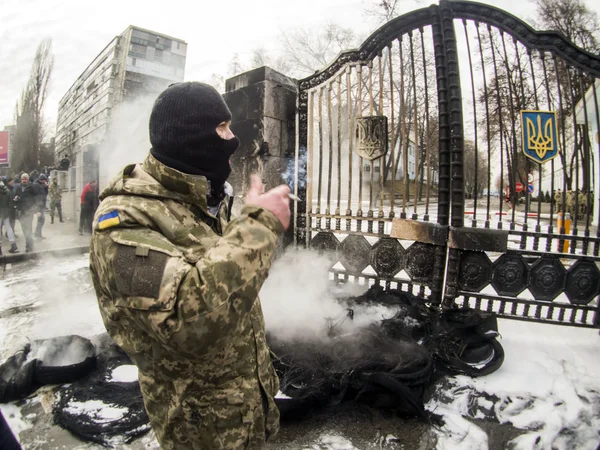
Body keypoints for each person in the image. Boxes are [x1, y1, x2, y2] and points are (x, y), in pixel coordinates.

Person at [89, 82, 290, 450]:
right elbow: (185, 320)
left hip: (247, 410)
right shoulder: (124, 222)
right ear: (189, 137)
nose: (232, 140)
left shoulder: (207, 197)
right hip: (199, 427)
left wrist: (246, 223)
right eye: (222, 128)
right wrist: (259, 227)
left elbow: (222, 275)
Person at [13, 173, 36, 252]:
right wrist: (16, 199)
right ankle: (30, 243)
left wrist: (34, 209)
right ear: (21, 180)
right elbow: (15, 197)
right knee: (24, 229)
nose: (24, 180)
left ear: (28, 180)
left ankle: (29, 246)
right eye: (23, 179)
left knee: (28, 229)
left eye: (25, 179)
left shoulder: (31, 187)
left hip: (29, 211)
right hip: (21, 212)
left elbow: (35, 199)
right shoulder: (18, 188)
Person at [0, 177, 19, 254]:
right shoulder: (7, 190)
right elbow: (10, 202)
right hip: (6, 212)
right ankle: (13, 244)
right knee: (8, 228)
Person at [33, 173, 48, 239]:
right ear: (42, 180)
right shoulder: (37, 185)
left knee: (41, 220)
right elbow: (38, 196)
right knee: (41, 220)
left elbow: (45, 194)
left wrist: (46, 187)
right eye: (45, 180)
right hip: (39, 205)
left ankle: (38, 234)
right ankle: (37, 234)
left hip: (41, 205)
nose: (45, 182)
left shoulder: (40, 185)